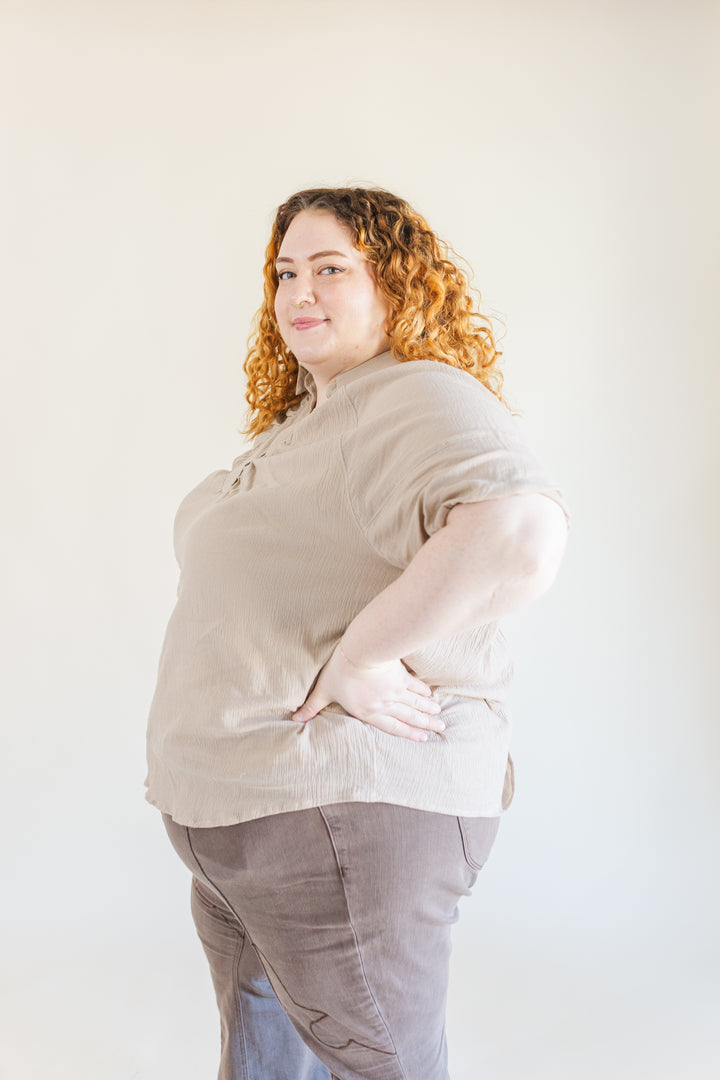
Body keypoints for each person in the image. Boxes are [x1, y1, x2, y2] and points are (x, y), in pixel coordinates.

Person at [145, 186, 568, 1080]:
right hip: (247, 827)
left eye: (332, 268)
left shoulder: (414, 393)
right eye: (285, 271)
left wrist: (363, 655)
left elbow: (519, 534)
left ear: (398, 285)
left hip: (338, 823)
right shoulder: (309, 421)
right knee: (266, 1061)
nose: (300, 289)